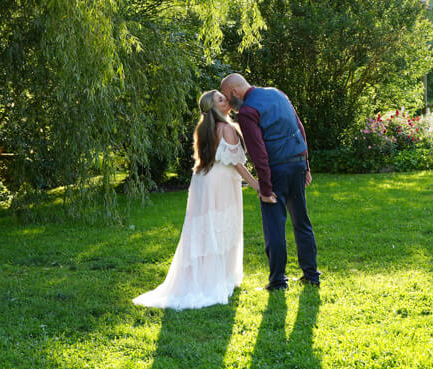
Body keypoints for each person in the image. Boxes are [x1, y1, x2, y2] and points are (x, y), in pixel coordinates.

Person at [134, 89, 260, 310]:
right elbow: (236, 163)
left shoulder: (204, 128)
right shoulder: (226, 128)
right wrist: (256, 184)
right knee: (221, 225)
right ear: (214, 107)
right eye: (221, 99)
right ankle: (215, 278)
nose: (226, 100)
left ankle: (205, 275)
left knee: (204, 227)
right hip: (219, 183)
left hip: (203, 180)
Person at [219, 72, 320, 290]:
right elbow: (299, 128)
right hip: (298, 164)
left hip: (276, 170)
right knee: (301, 222)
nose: (228, 102)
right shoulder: (278, 93)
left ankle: (278, 280)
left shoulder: (247, 112)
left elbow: (259, 153)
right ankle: (312, 275)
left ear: (235, 91)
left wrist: (265, 188)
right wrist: (306, 165)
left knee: (274, 227)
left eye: (227, 96)